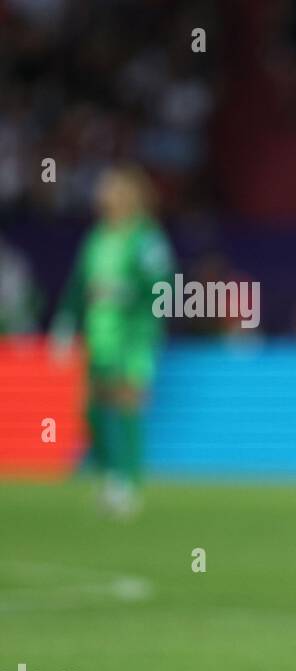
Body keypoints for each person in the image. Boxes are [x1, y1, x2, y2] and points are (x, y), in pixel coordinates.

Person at [52, 165, 175, 518]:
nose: (101, 194)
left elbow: (163, 286)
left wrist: (126, 292)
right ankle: (108, 473)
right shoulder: (97, 237)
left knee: (127, 400)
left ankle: (128, 483)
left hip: (134, 335)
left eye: (109, 188)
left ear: (129, 195)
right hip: (99, 333)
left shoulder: (147, 239)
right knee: (91, 406)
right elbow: (79, 284)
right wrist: (65, 320)